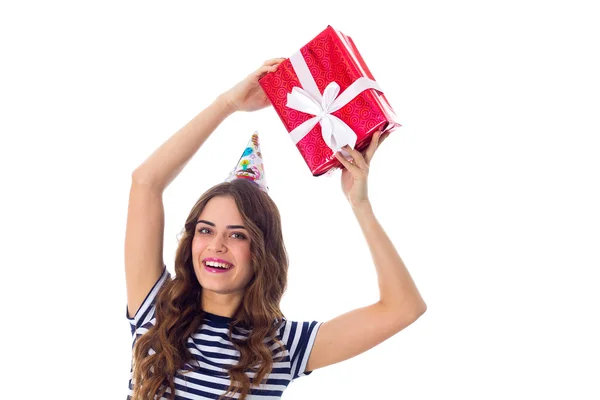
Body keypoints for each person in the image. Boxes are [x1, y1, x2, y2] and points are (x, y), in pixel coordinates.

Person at [124, 58, 427, 400]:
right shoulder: (155, 309)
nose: (216, 245)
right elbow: (145, 182)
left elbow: (403, 307)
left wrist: (360, 205)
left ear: (262, 252)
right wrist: (227, 105)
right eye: (206, 230)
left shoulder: (282, 346)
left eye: (238, 234)